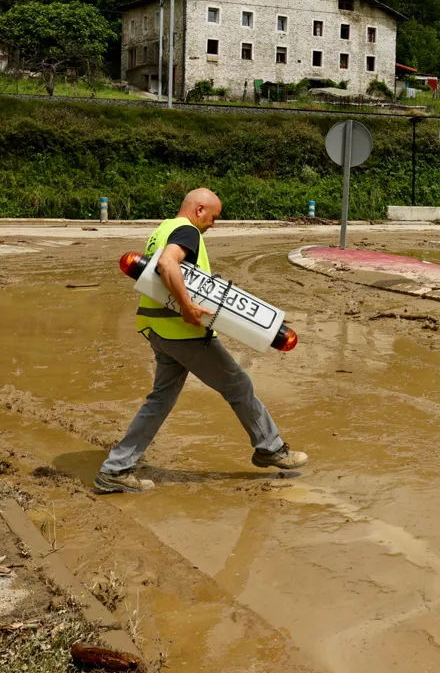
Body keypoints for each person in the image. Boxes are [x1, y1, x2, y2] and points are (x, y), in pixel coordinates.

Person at [95, 188, 307, 493]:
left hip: (158, 330)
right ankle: (270, 448)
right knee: (238, 385)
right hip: (185, 333)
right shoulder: (187, 231)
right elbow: (168, 265)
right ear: (199, 210)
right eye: (213, 217)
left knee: (160, 399)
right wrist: (187, 305)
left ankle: (116, 469)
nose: (213, 224)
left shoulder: (162, 229)